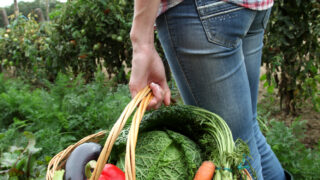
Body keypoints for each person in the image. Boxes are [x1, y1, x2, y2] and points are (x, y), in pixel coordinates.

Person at [129, 0, 286, 179]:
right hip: (252, 7)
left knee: (233, 150)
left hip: (200, 12)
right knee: (246, 136)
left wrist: (141, 43)